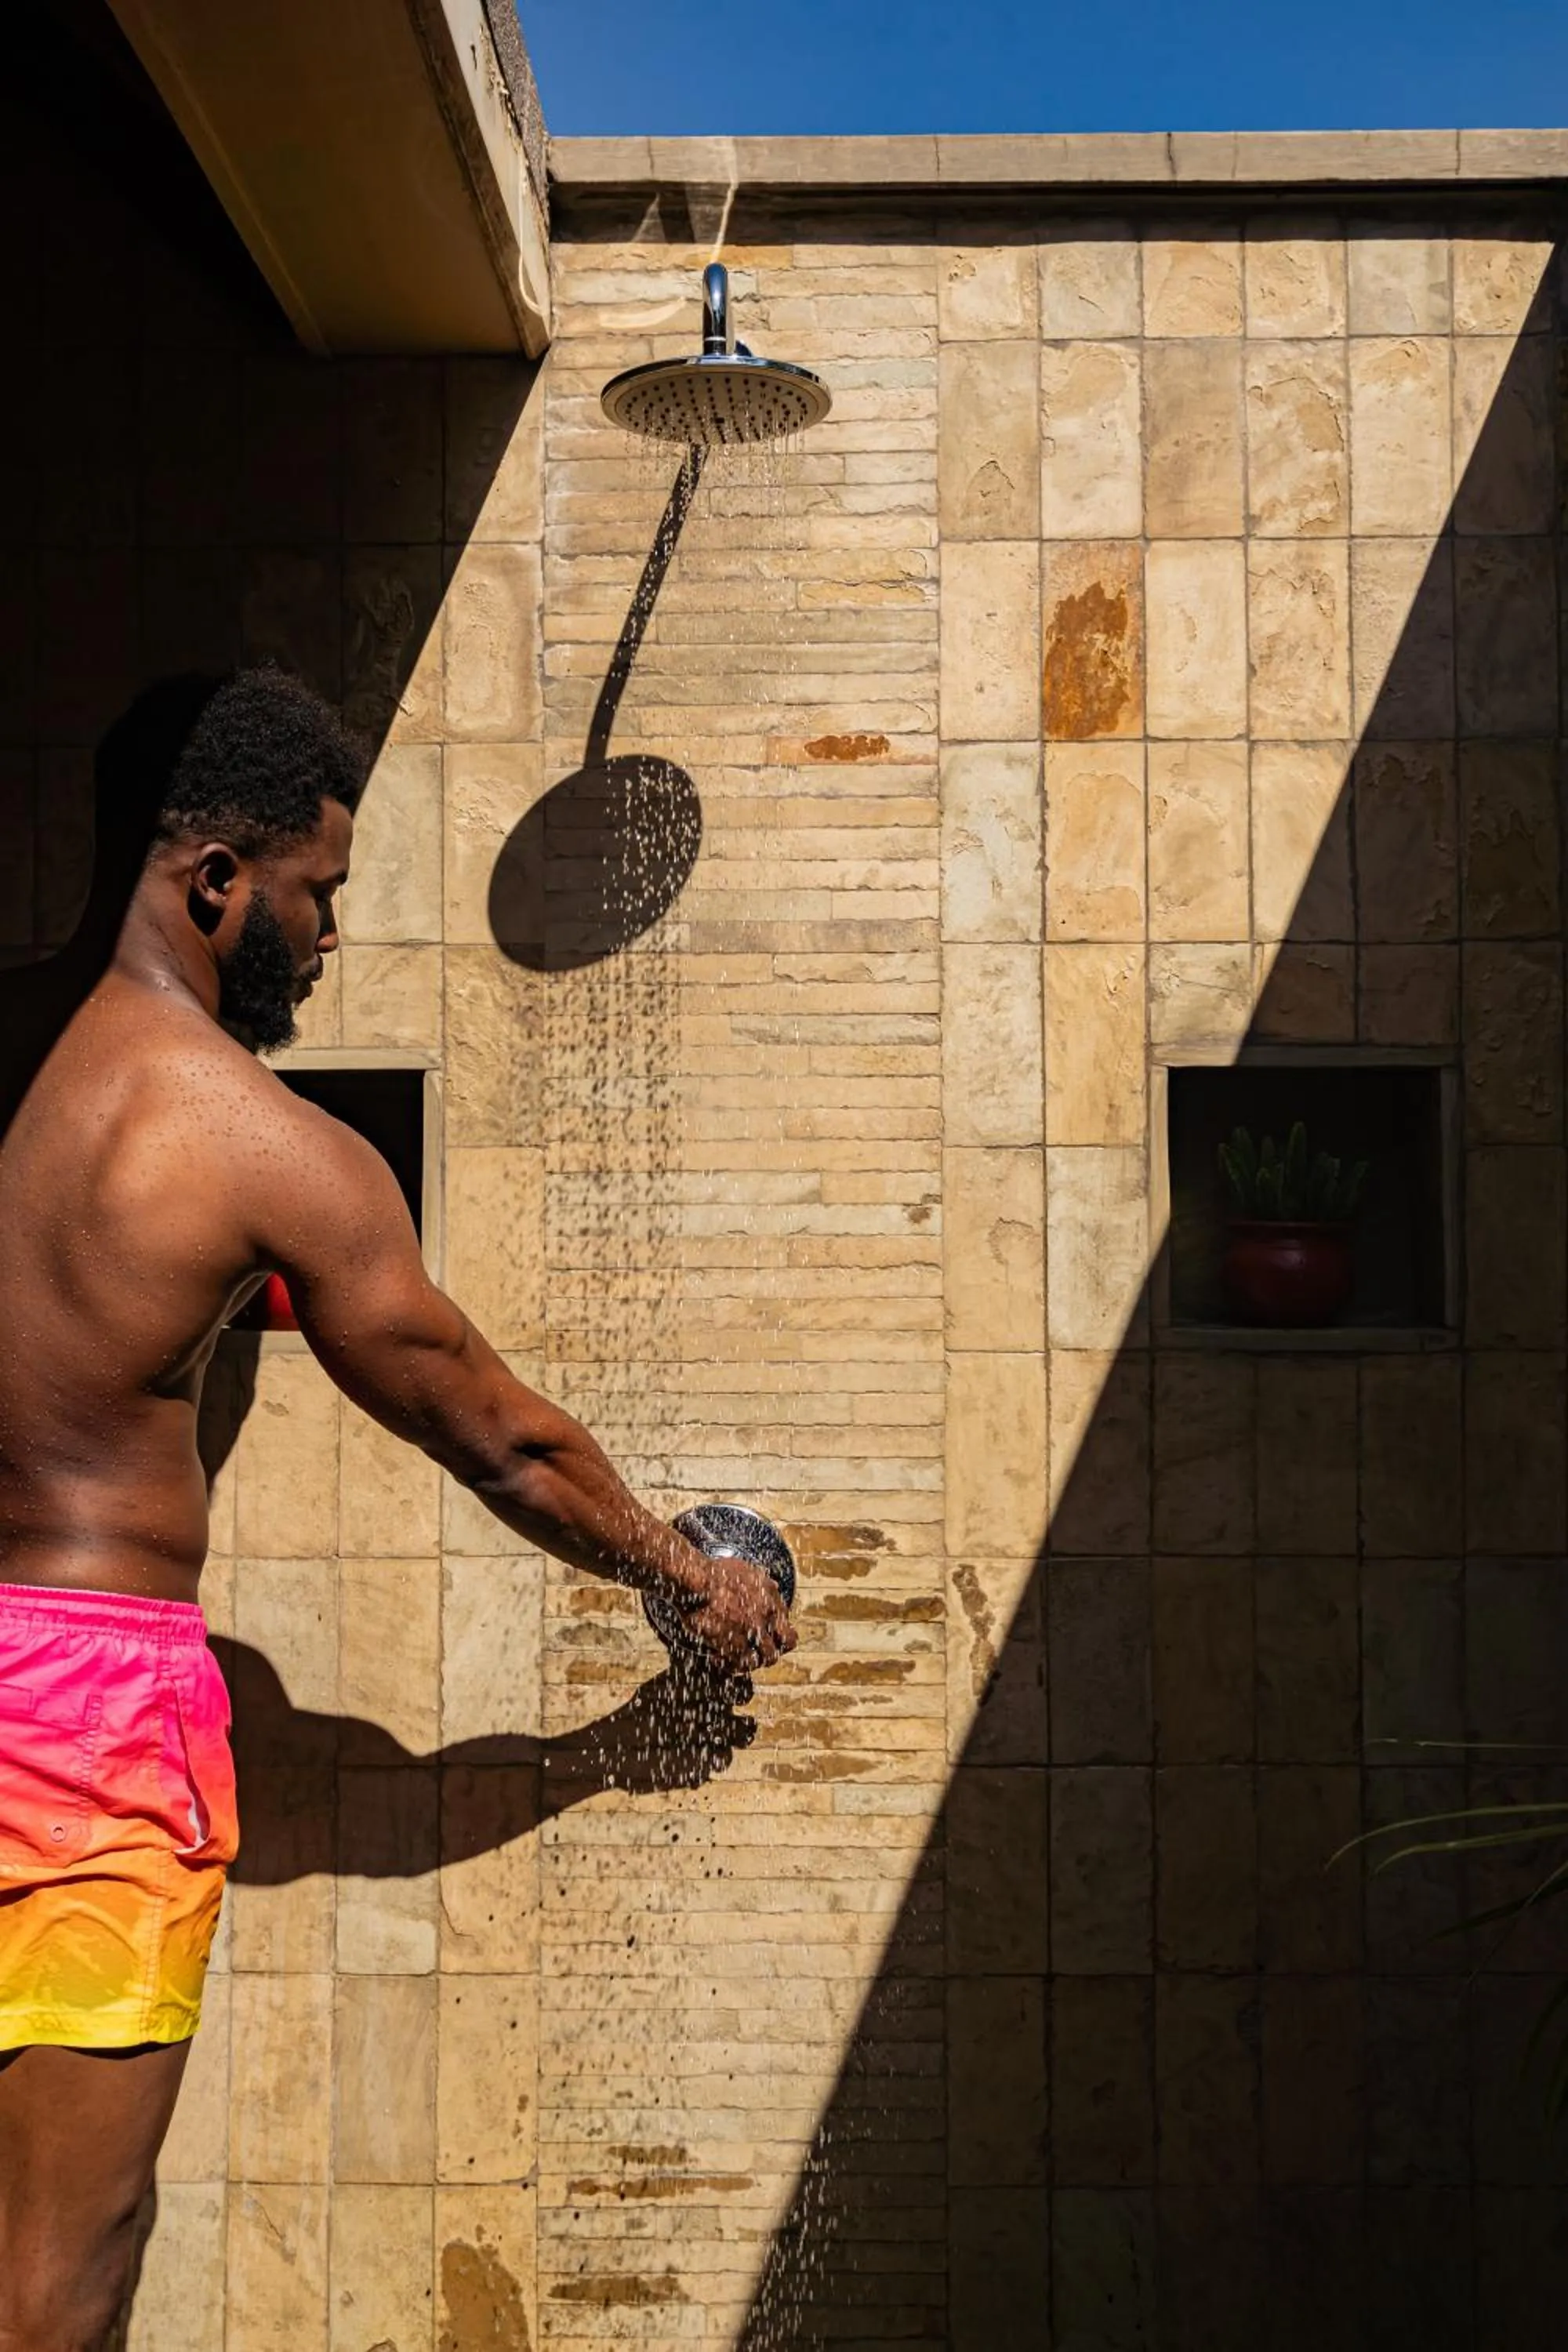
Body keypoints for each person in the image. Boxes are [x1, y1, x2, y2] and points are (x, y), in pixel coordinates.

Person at [0, 666, 794, 2351]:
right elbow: (495, 1436)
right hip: (81, 1723)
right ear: (219, 880)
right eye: (320, 891)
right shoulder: (260, 1144)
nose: (330, 935)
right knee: (63, 2261)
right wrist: (683, 1575)